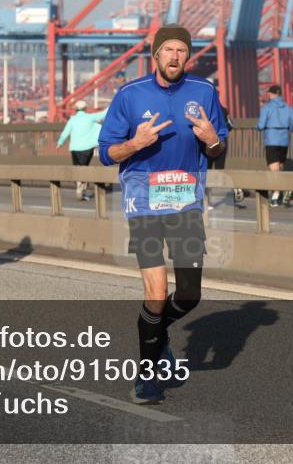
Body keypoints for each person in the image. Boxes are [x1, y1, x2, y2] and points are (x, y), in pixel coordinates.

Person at [99, 26, 228, 405]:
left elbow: (218, 148)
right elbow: (105, 152)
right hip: (144, 200)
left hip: (185, 200)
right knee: (156, 293)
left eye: (181, 50)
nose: (174, 56)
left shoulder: (204, 92)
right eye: (168, 49)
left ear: (188, 56)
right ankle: (147, 376)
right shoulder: (130, 94)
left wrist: (212, 140)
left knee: (189, 295)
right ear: (155, 55)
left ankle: (157, 334)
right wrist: (135, 143)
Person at [256, 84, 293, 207]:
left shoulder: (267, 108)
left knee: (274, 170)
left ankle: (276, 195)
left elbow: (260, 125)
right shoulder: (288, 108)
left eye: (269, 93)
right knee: (280, 167)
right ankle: (281, 191)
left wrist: (258, 127)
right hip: (284, 141)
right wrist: (288, 129)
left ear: (271, 94)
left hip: (271, 140)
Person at [57, 99, 107, 200]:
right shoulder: (90, 117)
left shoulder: (72, 119)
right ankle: (81, 189)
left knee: (77, 168)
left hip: (74, 148)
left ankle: (79, 186)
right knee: (84, 168)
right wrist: (111, 106)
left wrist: (60, 143)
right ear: (85, 108)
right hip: (87, 148)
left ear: (76, 109)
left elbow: (65, 132)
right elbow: (103, 115)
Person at [205, 78, 241, 210]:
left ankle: (207, 201)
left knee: (206, 173)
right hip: (222, 145)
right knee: (219, 171)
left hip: (207, 145)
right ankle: (231, 191)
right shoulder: (223, 109)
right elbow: (230, 126)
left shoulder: (203, 110)